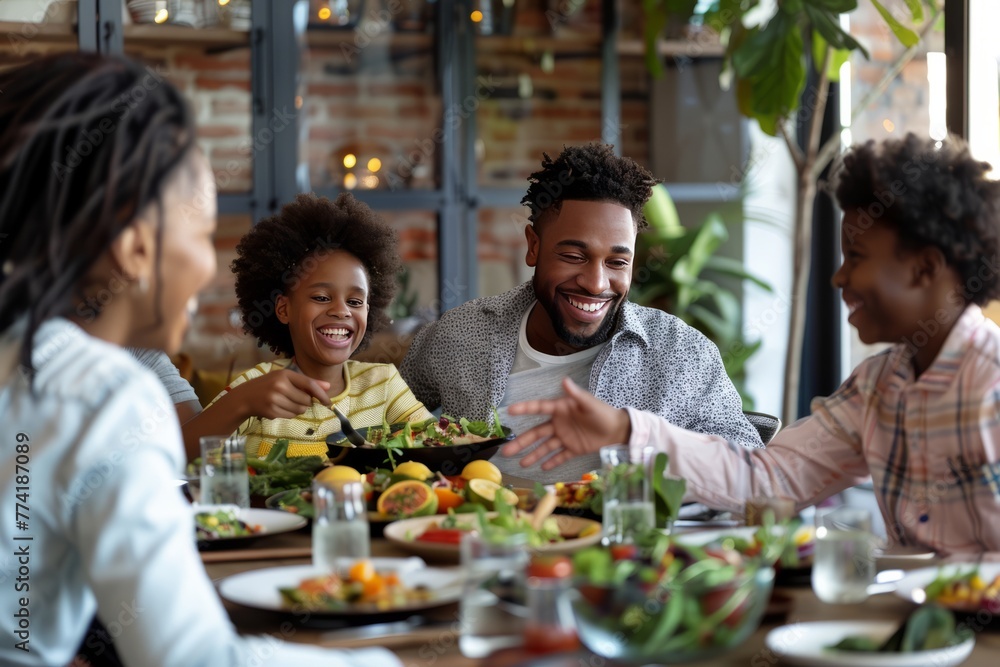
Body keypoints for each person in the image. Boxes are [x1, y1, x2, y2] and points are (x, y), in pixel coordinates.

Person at [0, 53, 399, 667]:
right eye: (201, 234)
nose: (211, 267)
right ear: (136, 248)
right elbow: (192, 660)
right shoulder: (104, 393)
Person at [504, 134, 1000, 556]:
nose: (840, 276)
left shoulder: (991, 384)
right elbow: (768, 480)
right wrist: (625, 430)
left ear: (925, 268)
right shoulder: (879, 386)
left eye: (858, 256)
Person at [401, 144, 762, 483]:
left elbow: (748, 471)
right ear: (533, 247)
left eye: (617, 262)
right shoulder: (461, 334)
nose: (595, 283)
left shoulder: (682, 353)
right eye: (573, 256)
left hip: (623, 547)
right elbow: (380, 421)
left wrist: (637, 435)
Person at [182, 193, 433, 460]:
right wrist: (242, 403)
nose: (341, 310)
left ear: (368, 311)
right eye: (322, 298)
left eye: (355, 301)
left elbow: (439, 442)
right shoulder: (256, 386)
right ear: (283, 309)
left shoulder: (383, 384)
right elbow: (182, 454)